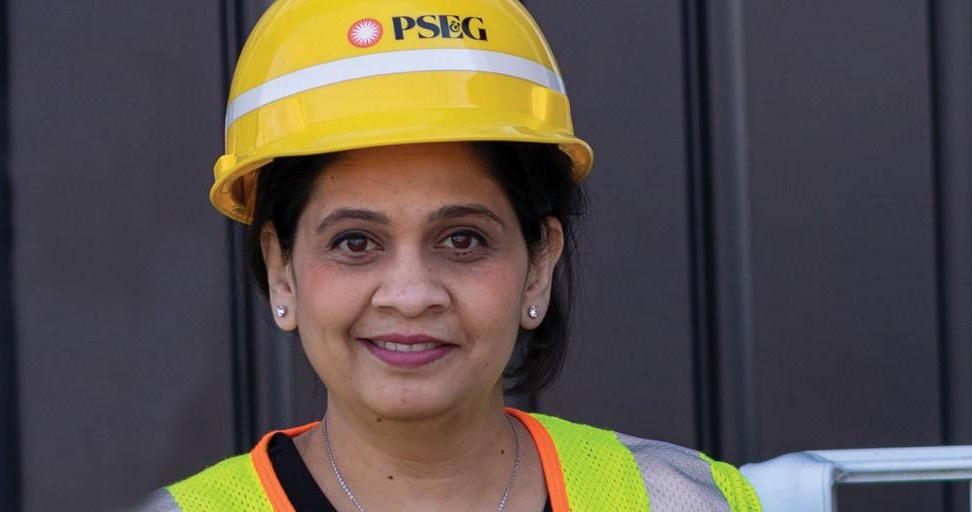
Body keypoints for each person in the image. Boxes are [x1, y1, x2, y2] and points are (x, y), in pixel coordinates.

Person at [144, 0, 762, 510]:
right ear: (281, 270)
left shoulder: (682, 500)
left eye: (462, 239)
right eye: (355, 242)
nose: (411, 295)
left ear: (538, 265)